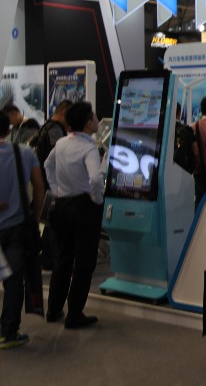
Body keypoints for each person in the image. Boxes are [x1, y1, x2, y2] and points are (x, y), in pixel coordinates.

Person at [45, 101, 106, 329]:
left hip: (62, 206)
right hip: (83, 207)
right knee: (84, 262)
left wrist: (56, 189)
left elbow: (48, 164)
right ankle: (74, 313)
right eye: (94, 116)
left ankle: (53, 309)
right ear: (88, 123)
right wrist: (97, 199)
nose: (97, 120)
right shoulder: (89, 148)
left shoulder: (62, 143)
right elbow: (96, 178)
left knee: (63, 258)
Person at [0, 110, 44, 349]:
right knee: (14, 280)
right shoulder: (25, 153)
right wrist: (35, 216)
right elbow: (39, 187)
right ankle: (8, 332)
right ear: (8, 130)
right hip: (17, 226)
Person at [36, 100, 72, 189]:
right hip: (53, 182)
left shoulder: (46, 126)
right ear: (64, 113)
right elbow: (58, 155)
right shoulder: (55, 129)